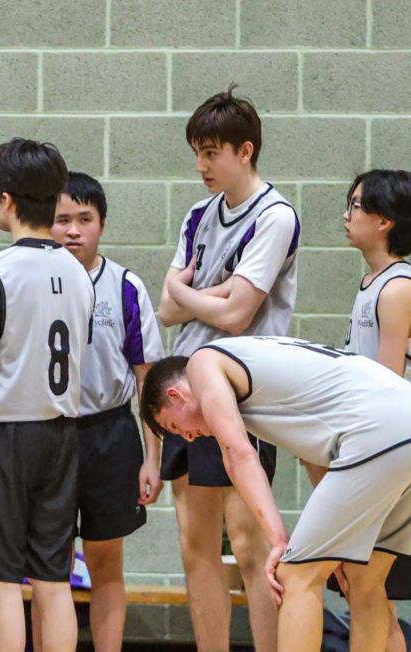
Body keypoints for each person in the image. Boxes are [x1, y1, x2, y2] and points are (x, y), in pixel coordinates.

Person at [141, 336, 411, 652]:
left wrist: (280, 541)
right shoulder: (268, 372)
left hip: (376, 432)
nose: (187, 437)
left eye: (175, 426)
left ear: (176, 394)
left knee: (294, 575)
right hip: (397, 420)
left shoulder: (203, 364)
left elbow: (239, 455)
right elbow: (314, 457)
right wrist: (337, 536)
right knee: (363, 580)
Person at [156, 84, 299, 652]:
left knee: (249, 546)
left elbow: (238, 317)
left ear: (245, 150)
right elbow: (168, 310)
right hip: (187, 389)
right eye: (197, 151)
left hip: (242, 391)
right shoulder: (197, 215)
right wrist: (202, 296)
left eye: (211, 151)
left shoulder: (275, 215)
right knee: (195, 545)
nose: (201, 165)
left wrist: (191, 292)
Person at [0, 138, 93, 652]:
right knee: (53, 581)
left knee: (0, 584)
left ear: (4, 200)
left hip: (3, 437)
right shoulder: (80, 273)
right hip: (61, 434)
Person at [49, 172, 164, 652]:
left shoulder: (126, 286)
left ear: (101, 224)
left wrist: (152, 458)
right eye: (61, 220)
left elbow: (148, 381)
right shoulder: (34, 281)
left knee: (105, 563)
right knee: (48, 567)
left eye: (84, 219)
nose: (73, 230)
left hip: (110, 435)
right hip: (48, 435)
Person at [339, 168, 411, 652]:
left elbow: (388, 388)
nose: (347, 215)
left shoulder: (398, 286)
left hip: (392, 450)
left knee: (365, 581)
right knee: (366, 587)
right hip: (375, 448)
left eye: (357, 205)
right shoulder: (373, 282)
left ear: (384, 221)